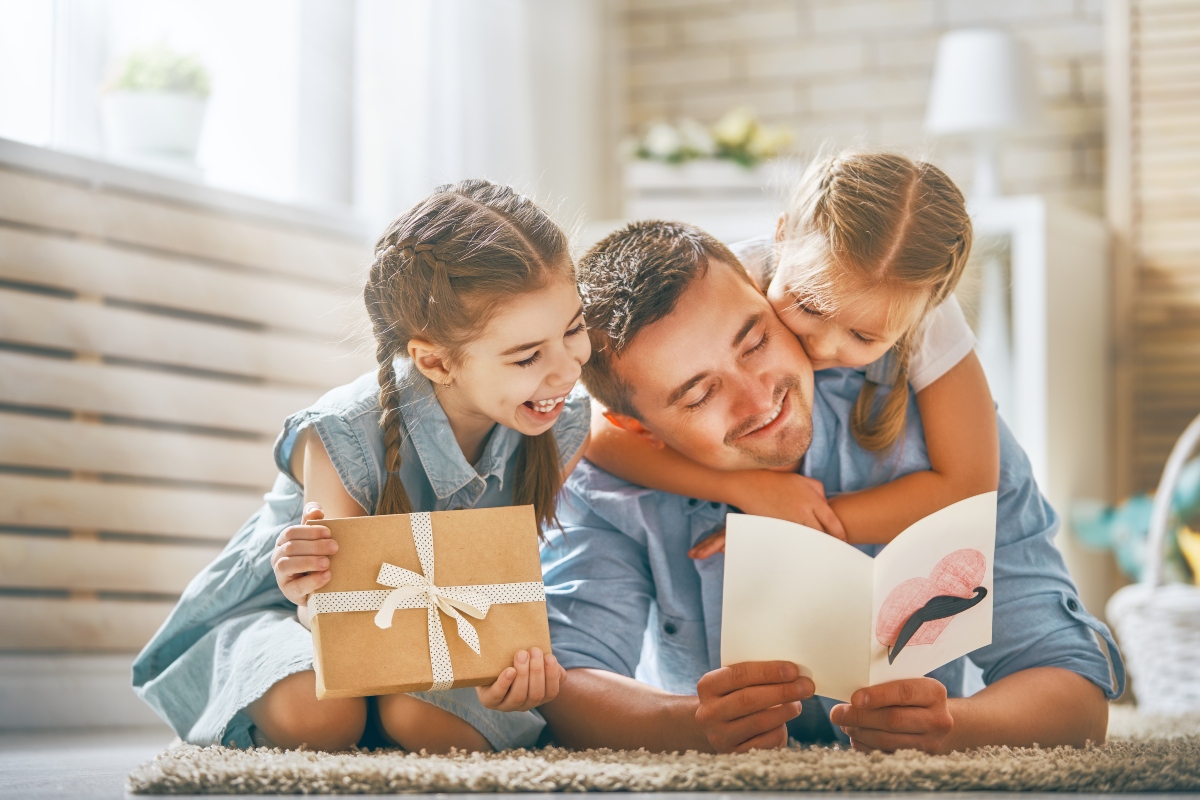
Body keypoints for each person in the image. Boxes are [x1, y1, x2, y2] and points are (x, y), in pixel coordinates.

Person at [539, 216, 1124, 754]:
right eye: (699, 394)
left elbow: (1072, 685)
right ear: (635, 429)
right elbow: (563, 679)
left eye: (756, 341)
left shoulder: (936, 432)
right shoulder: (606, 480)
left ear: (765, 293)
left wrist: (955, 728)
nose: (759, 398)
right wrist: (685, 722)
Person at [133, 180, 591, 753]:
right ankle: (365, 715)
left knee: (430, 724)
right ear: (434, 360)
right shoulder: (343, 431)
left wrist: (511, 671)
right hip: (293, 621)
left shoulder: (562, 422)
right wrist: (307, 586)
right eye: (527, 356)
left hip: (445, 625)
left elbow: (506, 590)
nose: (566, 369)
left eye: (574, 328)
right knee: (320, 717)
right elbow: (334, 618)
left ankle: (394, 715)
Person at [586, 152, 997, 549]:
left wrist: (794, 525)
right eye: (808, 306)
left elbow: (969, 484)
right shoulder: (722, 284)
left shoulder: (919, 308)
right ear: (780, 240)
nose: (821, 345)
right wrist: (745, 486)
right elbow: (595, 427)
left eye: (863, 337)